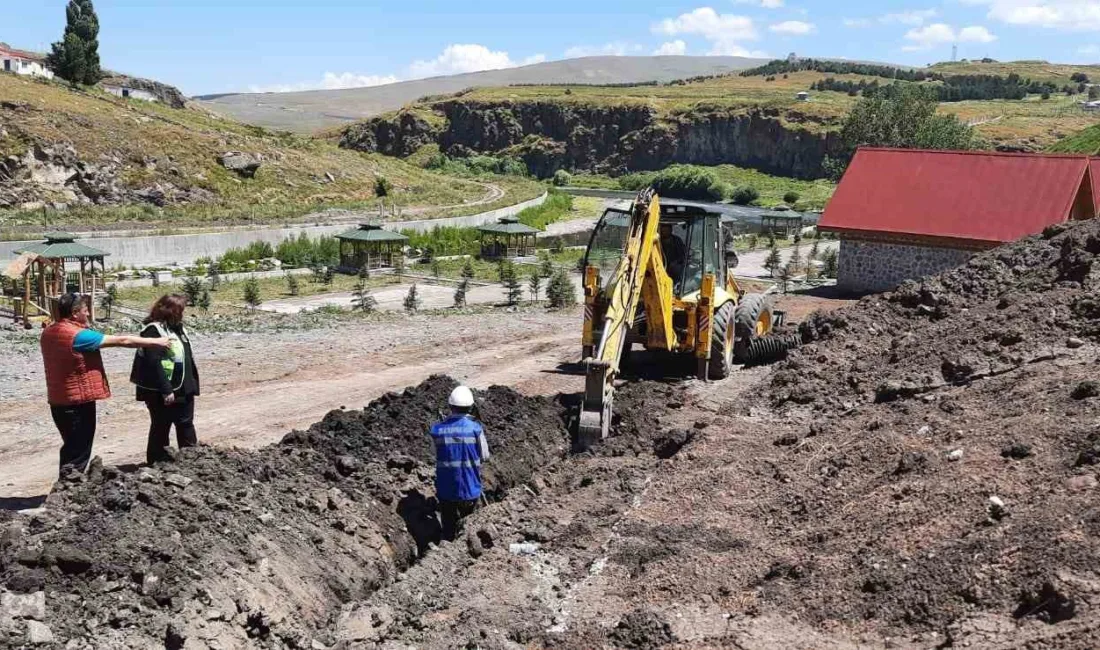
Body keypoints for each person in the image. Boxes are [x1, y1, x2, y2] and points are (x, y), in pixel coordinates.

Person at [41, 292, 170, 478]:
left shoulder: (49, 332)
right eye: (86, 311)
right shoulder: (77, 336)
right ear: (75, 313)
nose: (88, 315)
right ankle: (68, 490)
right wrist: (156, 341)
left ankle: (68, 488)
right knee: (78, 450)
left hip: (58, 400)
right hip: (77, 402)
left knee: (71, 445)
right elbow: (122, 341)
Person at [130, 294, 201, 464]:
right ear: (170, 311)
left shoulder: (178, 328)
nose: (182, 313)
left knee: (186, 423)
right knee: (161, 425)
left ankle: (191, 460)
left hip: (183, 386)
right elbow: (153, 362)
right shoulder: (153, 331)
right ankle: (157, 462)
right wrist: (166, 389)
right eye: (180, 310)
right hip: (161, 390)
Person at [429, 385, 490, 541]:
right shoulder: (476, 428)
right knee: (469, 530)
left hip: (446, 490)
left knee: (448, 528)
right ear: (470, 407)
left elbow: (435, 454)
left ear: (450, 406)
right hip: (470, 489)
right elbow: (484, 456)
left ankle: (447, 548)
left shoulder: (437, 430)